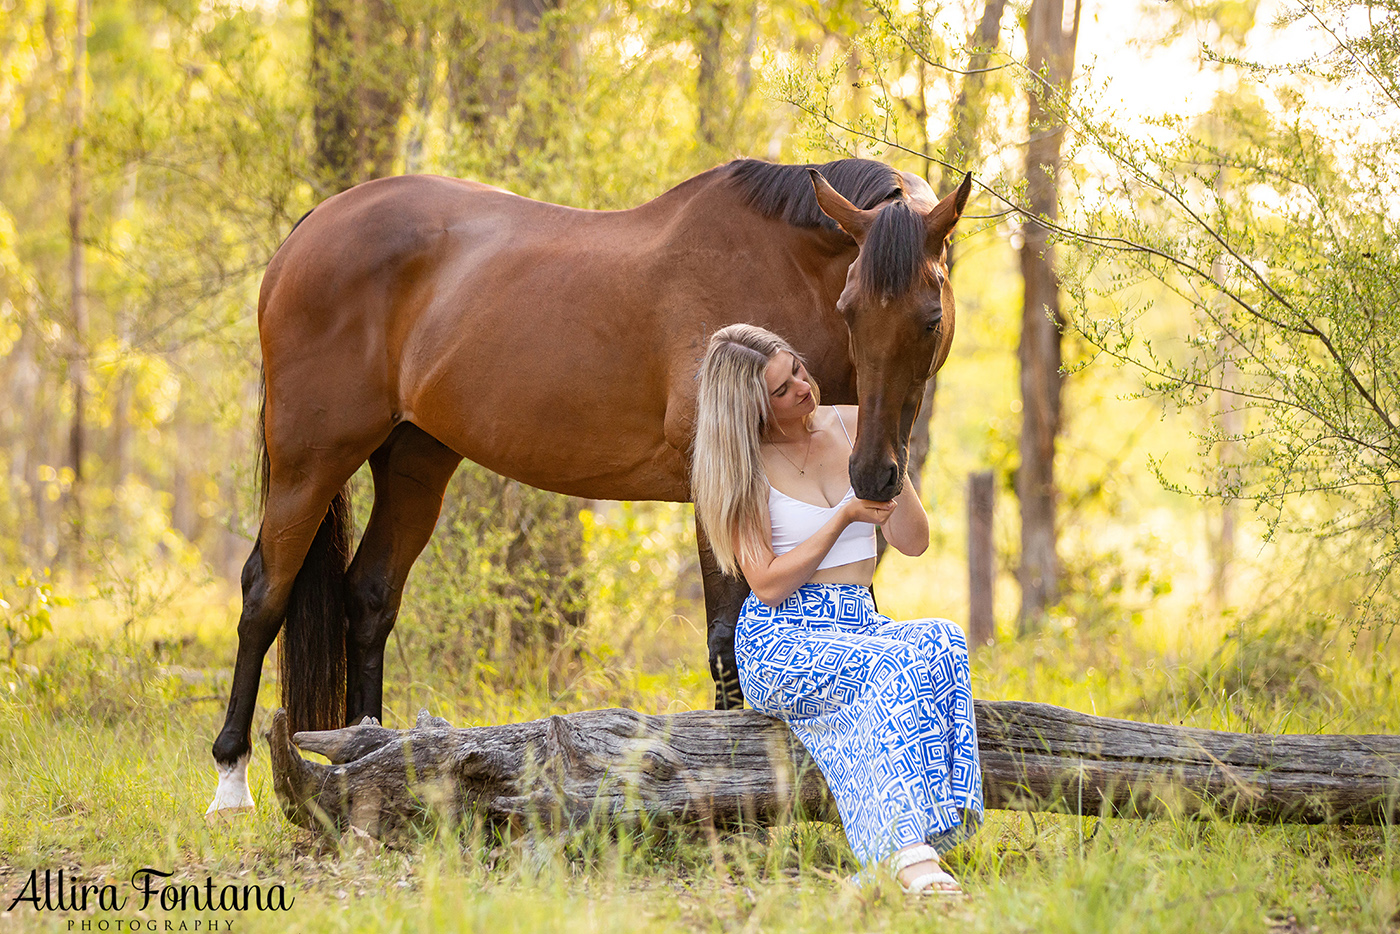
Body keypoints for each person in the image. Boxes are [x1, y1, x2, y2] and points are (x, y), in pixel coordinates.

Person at [690, 323, 982, 896]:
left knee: (942, 642)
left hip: (858, 621)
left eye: (796, 368)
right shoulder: (743, 466)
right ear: (752, 409)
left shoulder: (852, 425)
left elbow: (914, 541)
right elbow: (768, 584)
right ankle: (911, 862)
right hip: (783, 638)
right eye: (782, 389)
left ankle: (921, 840)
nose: (803, 386)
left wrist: (885, 470)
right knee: (889, 671)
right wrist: (843, 517)